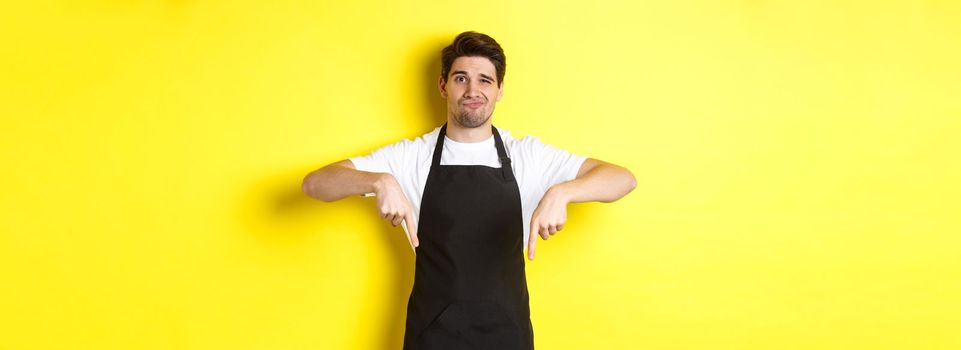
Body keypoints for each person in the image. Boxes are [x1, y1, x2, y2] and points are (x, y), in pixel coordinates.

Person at [302, 31, 636, 350]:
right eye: (461, 78)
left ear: (500, 90)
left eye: (484, 80)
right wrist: (378, 181)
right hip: (432, 337)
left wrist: (563, 192)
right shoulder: (411, 157)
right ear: (443, 85)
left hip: (508, 335)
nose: (472, 89)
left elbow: (621, 178)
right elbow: (316, 183)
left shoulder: (527, 156)